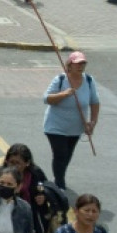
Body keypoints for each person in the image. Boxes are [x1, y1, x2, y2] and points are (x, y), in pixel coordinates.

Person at [42, 51, 99, 191]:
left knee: (67, 155)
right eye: (77, 63)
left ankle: (59, 177)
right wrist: (64, 94)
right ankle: (60, 184)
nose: (80, 66)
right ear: (69, 65)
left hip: (75, 128)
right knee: (60, 154)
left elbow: (95, 102)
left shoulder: (89, 81)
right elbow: (47, 99)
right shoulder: (60, 80)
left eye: (82, 63)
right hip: (55, 126)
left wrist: (92, 122)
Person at [0, 144, 53, 233]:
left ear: (27, 163)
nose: (14, 166)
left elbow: (46, 188)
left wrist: (43, 196)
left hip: (27, 216)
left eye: (18, 163)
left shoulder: (35, 174)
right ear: (6, 161)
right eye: (11, 162)